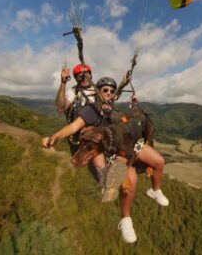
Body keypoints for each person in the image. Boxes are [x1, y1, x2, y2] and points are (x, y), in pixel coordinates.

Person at [43, 77, 169, 243]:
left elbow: (125, 122)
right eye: (105, 91)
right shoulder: (92, 109)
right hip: (113, 150)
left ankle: (155, 190)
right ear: (98, 92)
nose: (109, 93)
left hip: (127, 143)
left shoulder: (112, 107)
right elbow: (74, 127)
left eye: (111, 91)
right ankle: (125, 219)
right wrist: (55, 137)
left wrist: (132, 103)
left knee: (159, 161)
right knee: (131, 180)